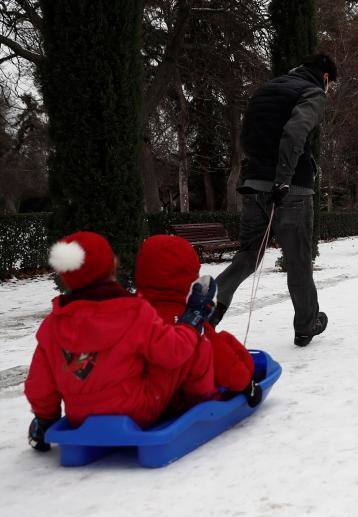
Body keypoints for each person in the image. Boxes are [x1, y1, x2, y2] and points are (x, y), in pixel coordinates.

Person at [24, 232, 217, 452]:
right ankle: (201, 404)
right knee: (193, 343)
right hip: (137, 411)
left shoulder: (52, 325)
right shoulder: (133, 312)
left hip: (79, 416)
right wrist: (192, 319)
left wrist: (46, 419)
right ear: (112, 266)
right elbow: (174, 351)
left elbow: (40, 384)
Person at [212, 52, 338, 348]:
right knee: (298, 260)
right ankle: (306, 324)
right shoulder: (313, 92)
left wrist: (258, 172)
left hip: (254, 184)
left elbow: (248, 136)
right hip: (291, 188)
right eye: (331, 85)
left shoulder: (266, 90)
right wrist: (283, 178)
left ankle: (208, 308)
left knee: (248, 256)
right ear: (325, 77)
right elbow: (295, 132)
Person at [135, 235, 262, 407]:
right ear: (188, 276)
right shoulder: (190, 318)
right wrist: (246, 384)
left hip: (143, 393)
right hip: (184, 399)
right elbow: (220, 357)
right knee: (219, 342)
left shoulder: (132, 312)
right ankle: (248, 373)